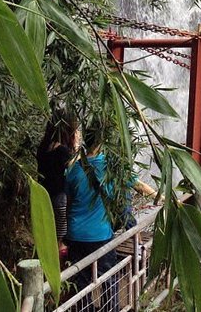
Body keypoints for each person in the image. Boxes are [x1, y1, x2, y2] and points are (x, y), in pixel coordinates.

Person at [65, 120, 158, 311]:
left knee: (81, 284)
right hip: (100, 235)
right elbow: (139, 185)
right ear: (102, 143)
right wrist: (162, 197)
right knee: (109, 279)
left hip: (75, 235)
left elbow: (68, 198)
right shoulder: (111, 167)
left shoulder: (73, 169)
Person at [36, 109, 78, 265]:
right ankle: (58, 275)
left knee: (49, 237)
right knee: (59, 241)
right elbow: (76, 171)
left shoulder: (43, 148)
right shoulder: (63, 152)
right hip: (60, 200)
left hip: (44, 198)